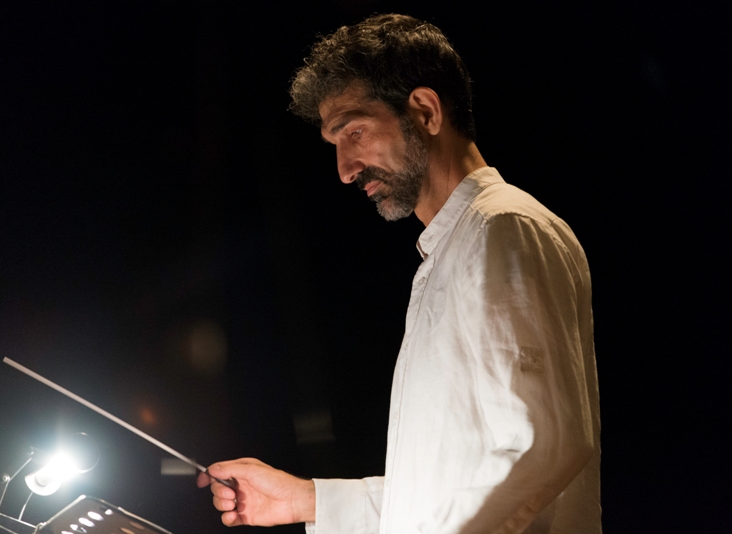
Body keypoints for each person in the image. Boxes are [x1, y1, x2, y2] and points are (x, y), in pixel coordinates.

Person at [198, 13, 601, 534]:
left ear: (426, 111)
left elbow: (539, 447)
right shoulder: (454, 249)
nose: (345, 169)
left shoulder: (502, 226)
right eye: (335, 144)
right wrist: (307, 501)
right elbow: (438, 495)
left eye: (355, 132)